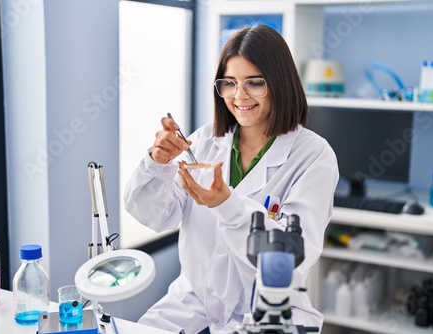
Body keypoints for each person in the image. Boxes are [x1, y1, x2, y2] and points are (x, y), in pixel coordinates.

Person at [124, 25, 339, 334]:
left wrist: (228, 205)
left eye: (254, 83)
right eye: (230, 83)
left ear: (280, 83)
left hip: (268, 310)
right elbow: (159, 216)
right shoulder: (203, 142)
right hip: (192, 300)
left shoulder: (313, 155)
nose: (239, 96)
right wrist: (157, 163)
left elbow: (291, 259)